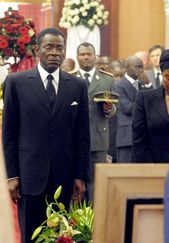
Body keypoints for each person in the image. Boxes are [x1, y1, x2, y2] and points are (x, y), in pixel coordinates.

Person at [2, 28, 90, 243]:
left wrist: (80, 175)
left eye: (59, 48)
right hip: (29, 176)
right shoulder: (16, 82)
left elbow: (82, 134)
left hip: (64, 175)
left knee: (62, 234)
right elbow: (9, 134)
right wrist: (12, 176)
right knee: (31, 234)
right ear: (37, 50)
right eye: (49, 47)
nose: (54, 53)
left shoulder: (77, 85)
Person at [72, 42, 116, 200]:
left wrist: (108, 109)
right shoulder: (70, 78)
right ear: (77, 57)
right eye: (82, 54)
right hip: (75, 140)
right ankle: (75, 222)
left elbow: (115, 107)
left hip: (98, 139)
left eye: (89, 54)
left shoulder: (107, 80)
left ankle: (95, 220)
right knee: (76, 183)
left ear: (95, 56)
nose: (86, 57)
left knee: (97, 184)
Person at [116, 56, 148, 163]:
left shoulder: (143, 83)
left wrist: (147, 85)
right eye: (137, 67)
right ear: (126, 68)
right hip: (126, 135)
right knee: (125, 172)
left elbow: (153, 103)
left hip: (143, 135)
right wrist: (144, 106)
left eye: (142, 67)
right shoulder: (119, 85)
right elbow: (127, 108)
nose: (141, 70)